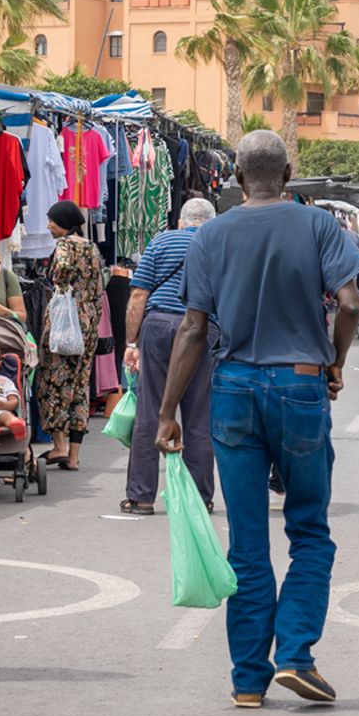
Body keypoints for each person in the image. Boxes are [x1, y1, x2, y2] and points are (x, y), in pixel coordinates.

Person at [155, 130, 359, 708]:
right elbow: (350, 304)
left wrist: (167, 412)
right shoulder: (319, 225)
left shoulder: (211, 234)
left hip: (234, 388)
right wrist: (335, 360)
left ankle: (248, 679)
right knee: (309, 532)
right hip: (299, 384)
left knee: (247, 545)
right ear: (289, 171)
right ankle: (296, 655)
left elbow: (193, 327)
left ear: (237, 178)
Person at [121, 197, 219, 515]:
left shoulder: (162, 241)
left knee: (151, 409)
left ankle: (141, 496)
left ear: (181, 221)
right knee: (199, 414)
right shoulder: (220, 243)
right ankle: (200, 499)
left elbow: (138, 294)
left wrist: (131, 342)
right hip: (204, 326)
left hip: (160, 324)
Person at [36, 200, 104, 471]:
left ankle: (59, 446)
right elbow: (99, 287)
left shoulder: (65, 245)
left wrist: (59, 282)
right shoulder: (91, 247)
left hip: (66, 321)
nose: (48, 225)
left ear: (63, 221)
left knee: (53, 381)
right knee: (79, 387)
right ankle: (74, 456)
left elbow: (62, 269)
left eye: (52, 220)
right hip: (87, 324)